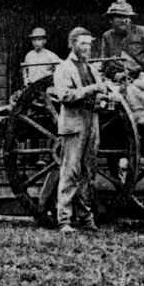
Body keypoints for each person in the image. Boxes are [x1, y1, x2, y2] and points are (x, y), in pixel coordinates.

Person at [49, 27, 104, 234]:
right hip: (74, 124)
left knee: (88, 172)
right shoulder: (63, 68)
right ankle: (64, 220)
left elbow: (98, 92)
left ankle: (86, 218)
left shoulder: (91, 68)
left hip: (92, 121)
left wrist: (104, 97)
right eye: (82, 44)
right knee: (70, 171)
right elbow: (64, 96)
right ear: (72, 44)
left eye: (89, 44)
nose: (87, 48)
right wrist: (91, 90)